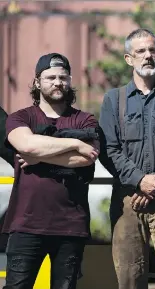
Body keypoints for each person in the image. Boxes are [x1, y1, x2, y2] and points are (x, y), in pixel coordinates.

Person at [99, 28, 155, 289]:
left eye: (152, 50)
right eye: (140, 51)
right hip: (127, 201)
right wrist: (140, 181)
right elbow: (109, 150)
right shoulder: (113, 100)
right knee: (129, 278)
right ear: (129, 59)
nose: (147, 56)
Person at [2, 53, 100, 289]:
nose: (58, 82)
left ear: (70, 81)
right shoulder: (21, 117)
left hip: (71, 226)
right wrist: (75, 143)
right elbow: (26, 145)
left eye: (63, 77)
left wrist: (38, 156)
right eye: (51, 77)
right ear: (37, 82)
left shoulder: (85, 120)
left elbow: (88, 158)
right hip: (26, 225)